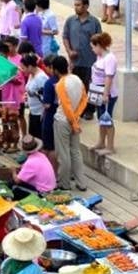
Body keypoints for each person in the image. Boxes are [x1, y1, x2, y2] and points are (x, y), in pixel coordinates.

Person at [63, 0, 102, 118]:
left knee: (89, 86)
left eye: (78, 5)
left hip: (90, 61)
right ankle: (76, 108)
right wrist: (69, 51)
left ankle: (89, 110)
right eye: (75, 5)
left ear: (86, 6)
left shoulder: (94, 22)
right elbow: (65, 37)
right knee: (75, 86)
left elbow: (99, 40)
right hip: (75, 61)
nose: (76, 7)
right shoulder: (70, 21)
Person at [54, 58, 89, 191]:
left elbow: (66, 106)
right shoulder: (77, 79)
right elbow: (84, 99)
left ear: (56, 70)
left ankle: (64, 183)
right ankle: (81, 182)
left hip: (63, 120)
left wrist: (73, 121)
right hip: (75, 119)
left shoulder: (60, 84)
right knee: (76, 152)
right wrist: (76, 117)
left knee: (63, 154)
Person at [88, 32, 119, 154]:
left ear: (99, 46)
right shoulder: (100, 57)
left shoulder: (109, 59)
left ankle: (110, 146)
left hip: (107, 92)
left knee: (107, 118)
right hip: (97, 90)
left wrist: (106, 94)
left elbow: (109, 77)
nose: (92, 50)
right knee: (100, 117)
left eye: (93, 47)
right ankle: (101, 141)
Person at [22, 54, 49, 139]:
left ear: (29, 66)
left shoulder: (41, 78)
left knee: (39, 138)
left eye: (23, 68)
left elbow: (46, 97)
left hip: (39, 114)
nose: (22, 70)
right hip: (33, 111)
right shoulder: (31, 74)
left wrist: (34, 94)